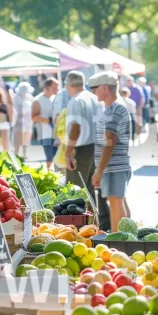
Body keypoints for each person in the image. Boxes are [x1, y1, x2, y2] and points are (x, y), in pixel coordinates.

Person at [64, 71, 110, 229]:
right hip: (96, 146)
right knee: (90, 190)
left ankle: (79, 227)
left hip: (81, 148)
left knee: (76, 190)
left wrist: (68, 151)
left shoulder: (76, 100)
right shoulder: (94, 98)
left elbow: (75, 128)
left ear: (68, 85)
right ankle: (95, 224)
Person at [88, 72, 132, 232]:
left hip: (115, 167)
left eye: (95, 88)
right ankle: (127, 241)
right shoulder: (114, 108)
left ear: (105, 88)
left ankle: (118, 244)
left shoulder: (114, 109)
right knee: (120, 204)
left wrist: (99, 170)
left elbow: (109, 142)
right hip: (116, 166)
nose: (93, 92)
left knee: (116, 205)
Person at [32, 77, 59, 169]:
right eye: (55, 88)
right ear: (47, 87)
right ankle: (48, 176)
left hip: (56, 133)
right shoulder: (37, 100)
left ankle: (56, 176)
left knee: (57, 157)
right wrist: (49, 120)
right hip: (45, 134)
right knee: (50, 158)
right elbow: (34, 117)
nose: (57, 90)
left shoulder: (55, 99)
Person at [13, 82, 34, 159]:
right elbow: (17, 110)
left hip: (27, 121)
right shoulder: (17, 98)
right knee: (18, 138)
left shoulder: (29, 97)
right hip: (19, 121)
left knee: (26, 137)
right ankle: (16, 152)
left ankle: (24, 153)